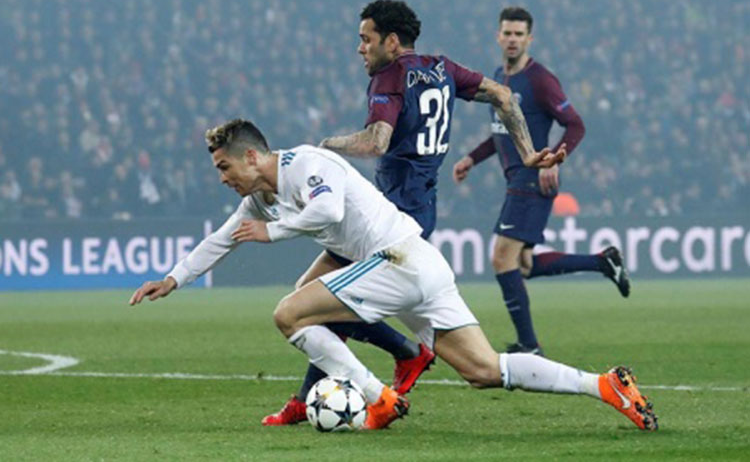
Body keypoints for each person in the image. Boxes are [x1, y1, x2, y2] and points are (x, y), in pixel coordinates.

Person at [129, 119, 657, 432]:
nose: (222, 177)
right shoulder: (259, 198)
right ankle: (605, 386)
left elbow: (329, 210)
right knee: (483, 369)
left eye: (224, 167)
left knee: (290, 313)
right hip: (415, 265)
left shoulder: (306, 164)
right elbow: (221, 239)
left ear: (251, 156)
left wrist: (275, 232)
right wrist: (173, 279)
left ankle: (376, 395)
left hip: (396, 260)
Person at [263, 0, 561, 426]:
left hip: (390, 218)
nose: (360, 48)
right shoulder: (441, 67)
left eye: (365, 39)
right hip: (420, 208)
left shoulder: (390, 76)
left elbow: (376, 142)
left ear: (391, 41)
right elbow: (502, 95)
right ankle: (354, 375)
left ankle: (387, 361)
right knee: (311, 295)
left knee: (314, 304)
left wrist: (325, 148)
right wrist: (528, 152)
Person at [453, 7, 630, 355]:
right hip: (516, 179)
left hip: (532, 179)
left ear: (529, 38)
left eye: (519, 34)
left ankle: (530, 346)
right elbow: (503, 131)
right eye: (508, 33)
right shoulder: (498, 78)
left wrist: (555, 161)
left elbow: (575, 124)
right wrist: (472, 158)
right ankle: (603, 261)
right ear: (498, 36)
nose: (513, 39)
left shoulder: (540, 80)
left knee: (501, 259)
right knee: (523, 265)